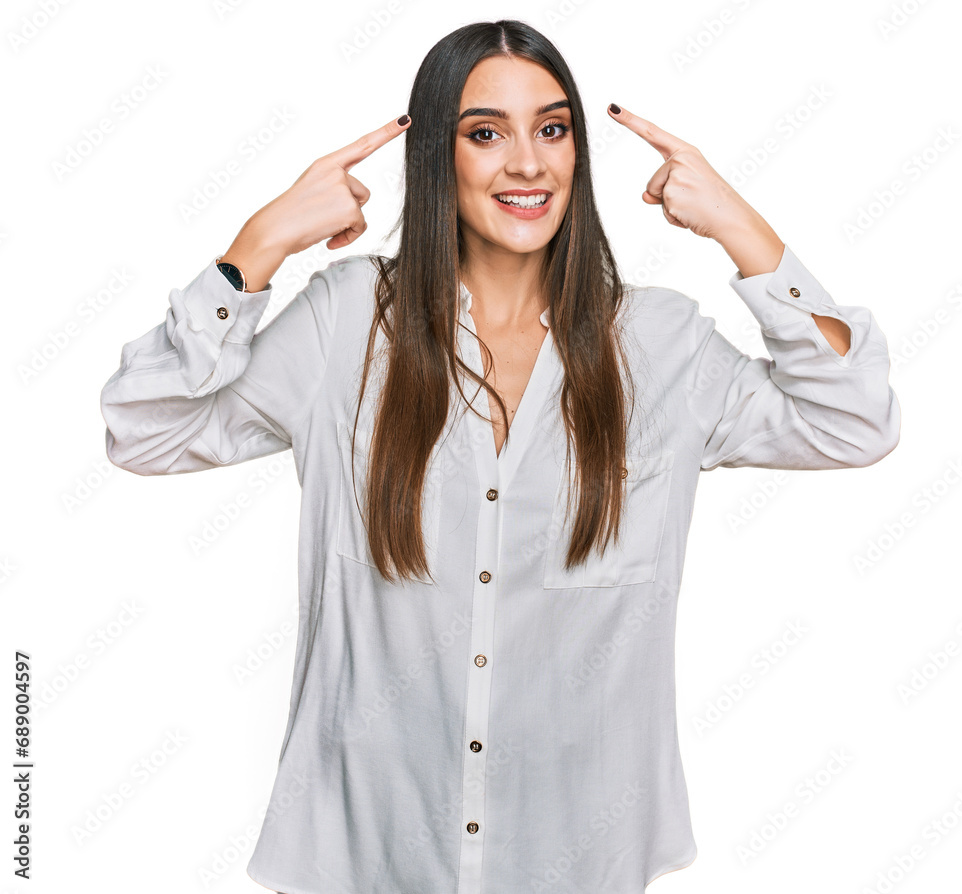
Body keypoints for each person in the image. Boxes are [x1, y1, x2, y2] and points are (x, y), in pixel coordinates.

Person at [99, 18, 900, 894]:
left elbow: (855, 420)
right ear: (436, 158)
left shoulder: (661, 344)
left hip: (580, 861)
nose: (529, 163)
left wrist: (746, 232)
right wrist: (256, 250)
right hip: (369, 854)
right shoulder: (345, 321)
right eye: (487, 133)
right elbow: (143, 429)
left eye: (552, 129)